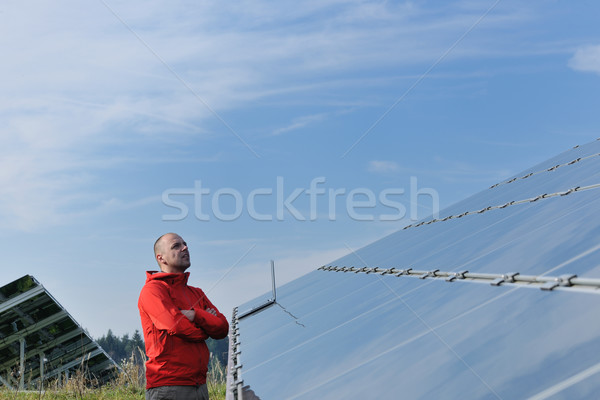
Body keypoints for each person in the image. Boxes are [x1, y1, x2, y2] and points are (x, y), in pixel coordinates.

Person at [138, 233, 229, 400]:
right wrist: (205, 329)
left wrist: (195, 315)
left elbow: (222, 328)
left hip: (199, 386)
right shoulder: (153, 290)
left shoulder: (197, 293)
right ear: (161, 258)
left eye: (185, 244)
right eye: (176, 246)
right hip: (168, 387)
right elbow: (176, 326)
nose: (185, 247)